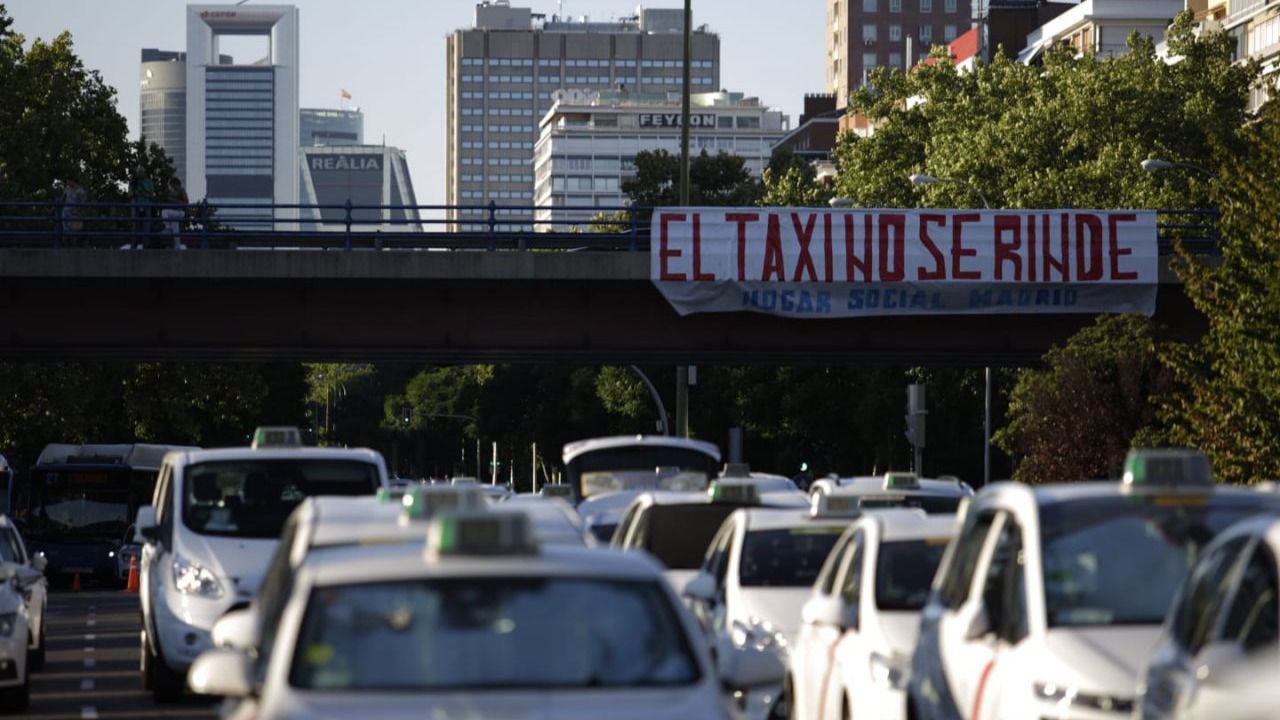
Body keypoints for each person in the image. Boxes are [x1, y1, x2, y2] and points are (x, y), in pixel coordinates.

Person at [126, 164, 155, 250]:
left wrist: (144, 193)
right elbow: (129, 194)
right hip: (135, 205)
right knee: (135, 225)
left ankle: (146, 245)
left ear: (145, 173)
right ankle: (134, 244)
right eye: (139, 172)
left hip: (146, 205)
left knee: (146, 225)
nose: (140, 173)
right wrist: (135, 193)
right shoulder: (133, 182)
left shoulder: (149, 182)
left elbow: (152, 195)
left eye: (142, 172)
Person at [161, 177, 188, 250]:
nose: (171, 187)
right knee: (176, 228)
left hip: (180, 212)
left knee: (164, 212)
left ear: (175, 184)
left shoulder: (182, 190)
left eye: (172, 185)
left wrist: (173, 201)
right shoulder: (172, 192)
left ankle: (167, 227)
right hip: (174, 212)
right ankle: (177, 245)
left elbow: (186, 203)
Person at [60, 177, 87, 246]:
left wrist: (78, 210)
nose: (68, 183)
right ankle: (65, 244)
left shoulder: (80, 191)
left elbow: (83, 202)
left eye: (69, 181)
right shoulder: (67, 189)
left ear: (73, 181)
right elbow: (62, 198)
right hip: (66, 212)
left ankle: (74, 245)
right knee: (65, 229)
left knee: (74, 230)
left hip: (75, 213)